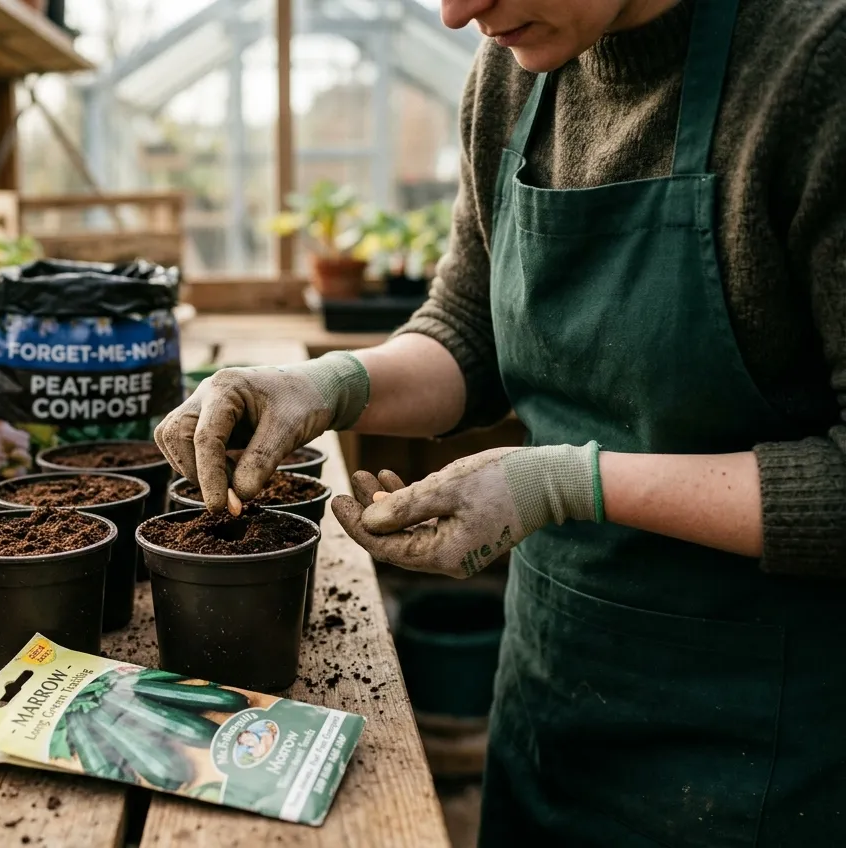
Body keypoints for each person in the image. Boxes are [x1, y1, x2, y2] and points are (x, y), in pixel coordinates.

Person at [154, 0, 846, 843]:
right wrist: (326, 384)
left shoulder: (816, 64)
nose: (454, 13)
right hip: (551, 703)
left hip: (766, 755)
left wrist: (563, 482)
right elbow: (467, 330)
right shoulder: (515, 72)